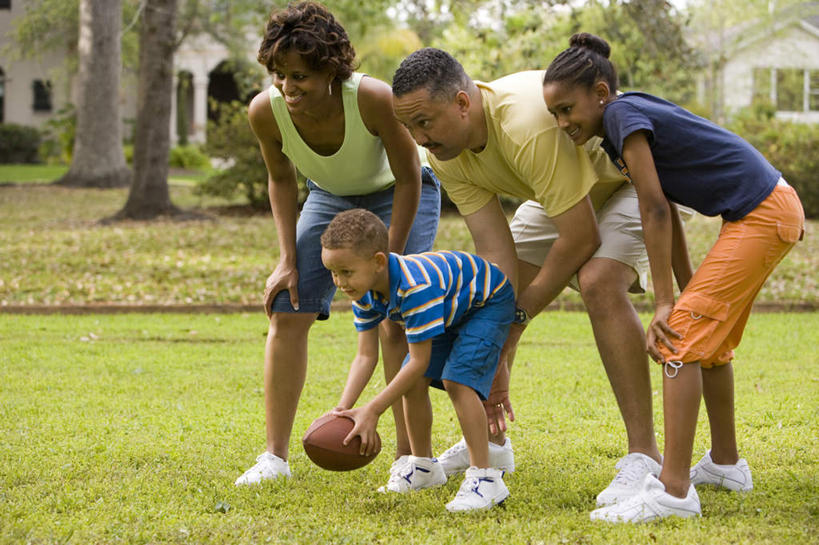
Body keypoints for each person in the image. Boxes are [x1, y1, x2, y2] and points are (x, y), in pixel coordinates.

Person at [542, 33, 805, 522]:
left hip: (761, 213)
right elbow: (669, 209)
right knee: (711, 344)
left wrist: (667, 304)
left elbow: (655, 208)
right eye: (554, 114)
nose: (561, 123)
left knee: (677, 340)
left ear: (600, 93)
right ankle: (726, 465)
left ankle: (674, 492)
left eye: (566, 109)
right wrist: (683, 290)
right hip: (768, 209)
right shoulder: (624, 119)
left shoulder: (620, 117)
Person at [392, 48, 664, 505]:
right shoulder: (444, 153)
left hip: (626, 182)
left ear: (462, 103)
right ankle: (493, 444)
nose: (420, 139)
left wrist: (512, 327)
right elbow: (495, 257)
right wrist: (496, 327)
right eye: (410, 128)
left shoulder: (522, 124)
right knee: (493, 294)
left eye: (425, 122)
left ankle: (644, 455)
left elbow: (580, 238)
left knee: (598, 282)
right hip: (559, 196)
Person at [234, 2, 440, 486]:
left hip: (399, 191)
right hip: (328, 195)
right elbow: (281, 181)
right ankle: (274, 458)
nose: (288, 87)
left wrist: (392, 259)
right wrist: (287, 259)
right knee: (287, 307)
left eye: (300, 75)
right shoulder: (266, 111)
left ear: (331, 69)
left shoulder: (371, 98)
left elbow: (410, 176)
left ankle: (410, 462)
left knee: (395, 317)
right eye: (280, 74)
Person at [322, 208, 514, 512]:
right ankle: (424, 467)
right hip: (452, 305)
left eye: (346, 271)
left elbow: (419, 361)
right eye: (333, 272)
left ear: (378, 262)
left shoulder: (415, 288)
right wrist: (342, 410)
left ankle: (485, 478)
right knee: (411, 382)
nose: (340, 282)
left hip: (487, 301)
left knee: (457, 381)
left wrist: (373, 410)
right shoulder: (364, 292)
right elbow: (365, 355)